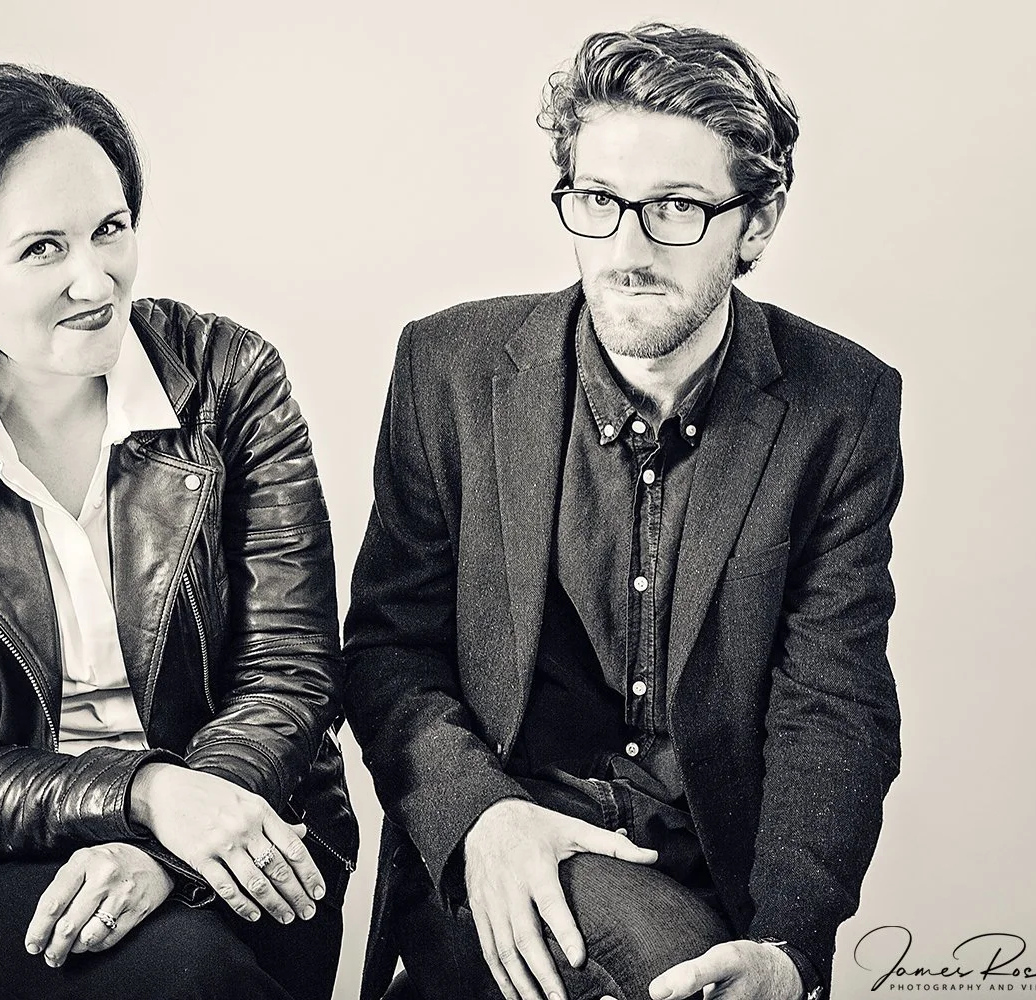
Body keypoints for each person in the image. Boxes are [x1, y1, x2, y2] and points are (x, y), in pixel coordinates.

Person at [345, 24, 901, 1000]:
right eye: (598, 202)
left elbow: (832, 701)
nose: (628, 249)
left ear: (759, 220)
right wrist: (482, 815)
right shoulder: (449, 368)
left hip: (710, 877)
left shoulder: (840, 403)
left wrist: (791, 949)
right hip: (496, 845)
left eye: (677, 208)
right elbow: (389, 648)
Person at [0, 63, 356, 1000]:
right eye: (42, 249)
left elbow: (291, 673)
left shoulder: (230, 378)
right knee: (185, 979)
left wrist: (172, 847)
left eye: (110, 229)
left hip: (242, 810)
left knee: (194, 970)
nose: (96, 278)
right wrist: (144, 799)